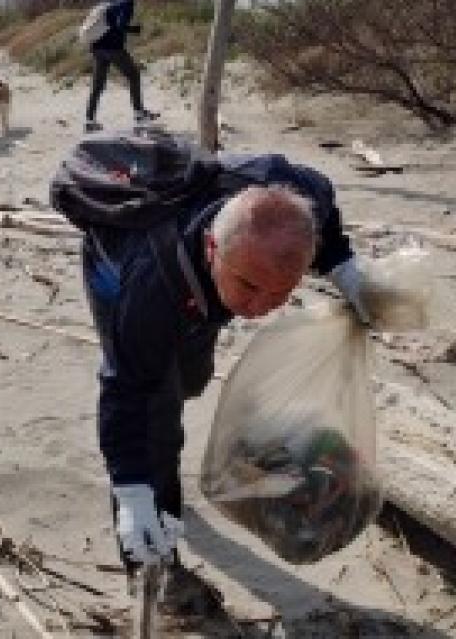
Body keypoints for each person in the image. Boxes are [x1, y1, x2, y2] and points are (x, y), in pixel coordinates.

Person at [73, 140, 371, 594]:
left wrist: (345, 268)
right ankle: (155, 564)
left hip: (201, 290)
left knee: (190, 379)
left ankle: (190, 360)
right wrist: (132, 491)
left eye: (280, 294)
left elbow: (323, 222)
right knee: (156, 416)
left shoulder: (301, 192)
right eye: (250, 286)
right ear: (213, 246)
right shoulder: (148, 285)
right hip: (117, 270)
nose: (259, 308)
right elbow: (125, 391)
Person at [85, 0, 159, 132]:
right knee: (134, 74)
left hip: (97, 47)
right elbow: (120, 25)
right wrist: (134, 29)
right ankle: (139, 113)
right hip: (113, 48)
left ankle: (89, 120)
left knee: (97, 85)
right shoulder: (127, 2)